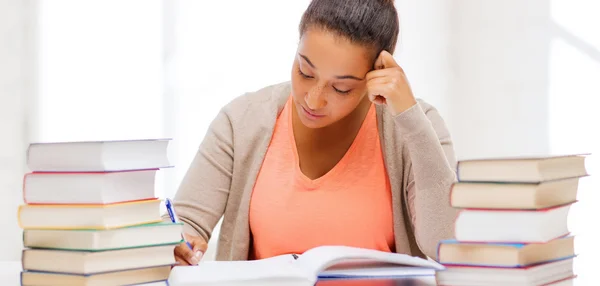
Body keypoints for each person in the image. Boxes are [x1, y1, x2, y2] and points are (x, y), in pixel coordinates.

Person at [168, 0, 459, 266]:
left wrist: (409, 117)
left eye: (341, 88)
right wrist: (181, 243)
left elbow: (444, 244)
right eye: (305, 72)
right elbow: (185, 225)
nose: (313, 99)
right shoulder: (241, 121)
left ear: (379, 73)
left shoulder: (416, 125)